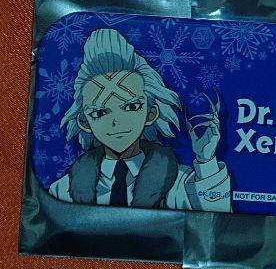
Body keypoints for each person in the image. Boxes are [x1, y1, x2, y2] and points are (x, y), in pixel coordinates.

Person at [49, 29, 231, 211]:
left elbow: (216, 218)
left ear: (151, 113)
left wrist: (206, 161)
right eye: (100, 113)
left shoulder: (178, 182)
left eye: (131, 107)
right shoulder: (63, 189)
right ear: (84, 122)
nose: (117, 122)